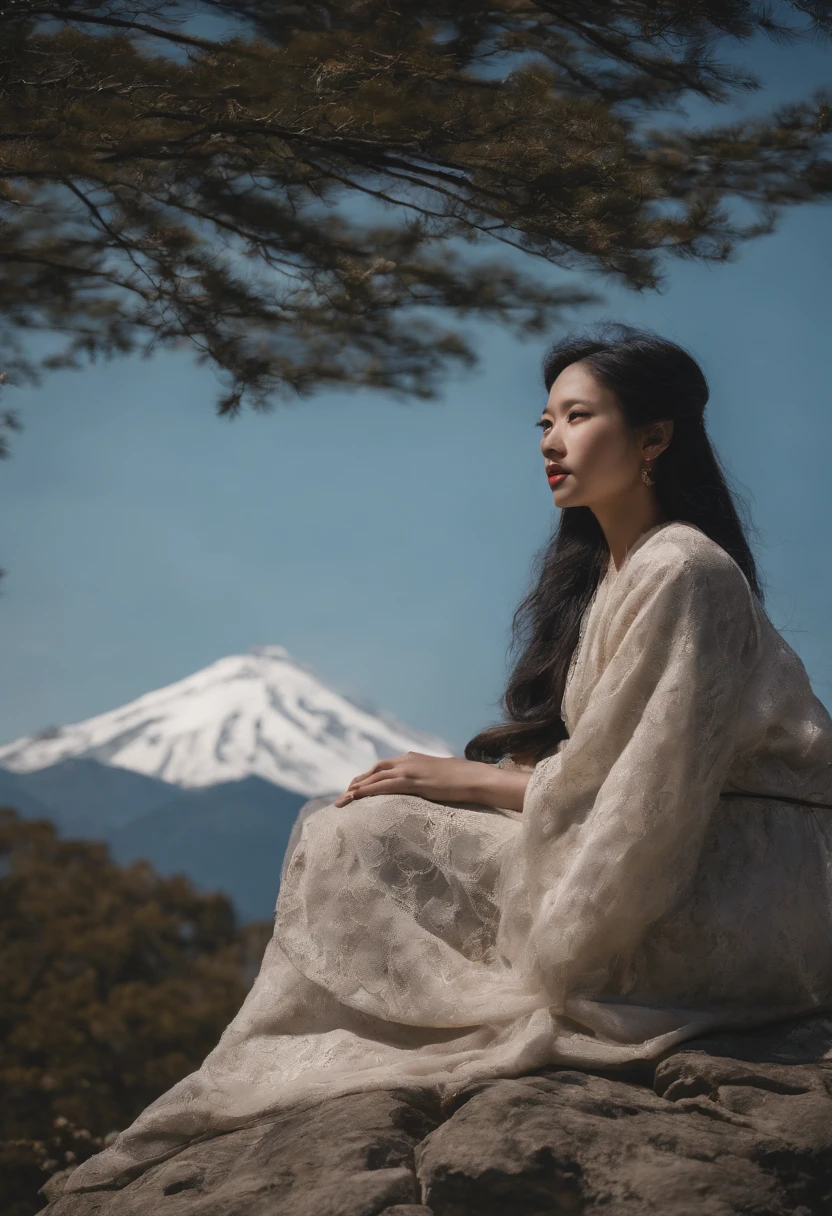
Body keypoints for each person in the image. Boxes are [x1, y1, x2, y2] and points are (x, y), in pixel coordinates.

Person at [55, 322, 832, 1197]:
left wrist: (468, 780)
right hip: (670, 853)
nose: (551, 440)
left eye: (578, 417)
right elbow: (612, 781)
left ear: (655, 438)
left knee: (370, 832)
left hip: (733, 884)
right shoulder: (616, 574)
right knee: (355, 828)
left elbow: (645, 798)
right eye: (542, 422)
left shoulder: (685, 569)